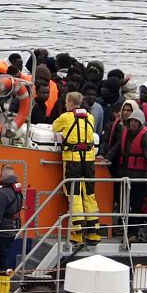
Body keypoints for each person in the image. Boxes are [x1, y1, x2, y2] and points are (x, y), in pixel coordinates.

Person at [51, 91, 101, 246]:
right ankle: (93, 233)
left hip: (73, 160)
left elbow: (54, 127)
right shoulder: (90, 117)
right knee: (89, 193)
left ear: (70, 103)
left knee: (74, 193)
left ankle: (77, 233)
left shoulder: (66, 117)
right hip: (89, 161)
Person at [107, 105, 147, 241]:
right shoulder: (125, 132)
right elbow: (118, 146)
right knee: (123, 203)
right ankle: (123, 228)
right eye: (131, 121)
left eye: (136, 121)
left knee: (135, 206)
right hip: (124, 174)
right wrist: (107, 157)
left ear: (140, 122)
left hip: (138, 177)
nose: (133, 123)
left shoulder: (146, 136)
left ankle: (133, 233)